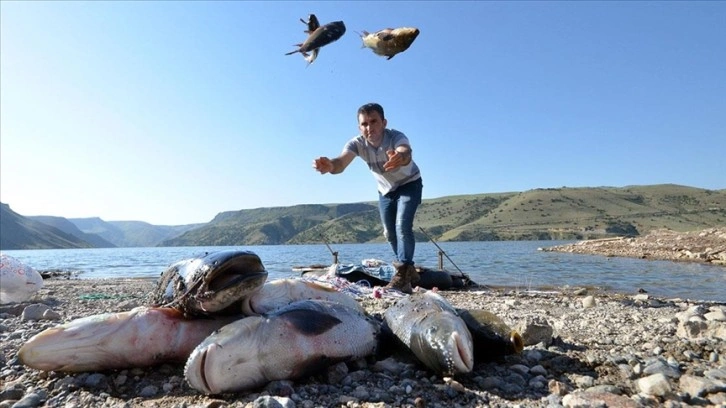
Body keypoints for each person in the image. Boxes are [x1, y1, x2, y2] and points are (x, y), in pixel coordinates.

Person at [313, 102, 423, 293]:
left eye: (374, 122)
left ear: (384, 122)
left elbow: (405, 151)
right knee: (389, 233)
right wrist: (330, 166)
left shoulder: (395, 136)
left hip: (409, 184)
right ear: (359, 127)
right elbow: (341, 162)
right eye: (364, 124)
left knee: (402, 226)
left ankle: (402, 273)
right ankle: (408, 271)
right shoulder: (356, 143)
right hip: (385, 190)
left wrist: (400, 157)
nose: (369, 128)